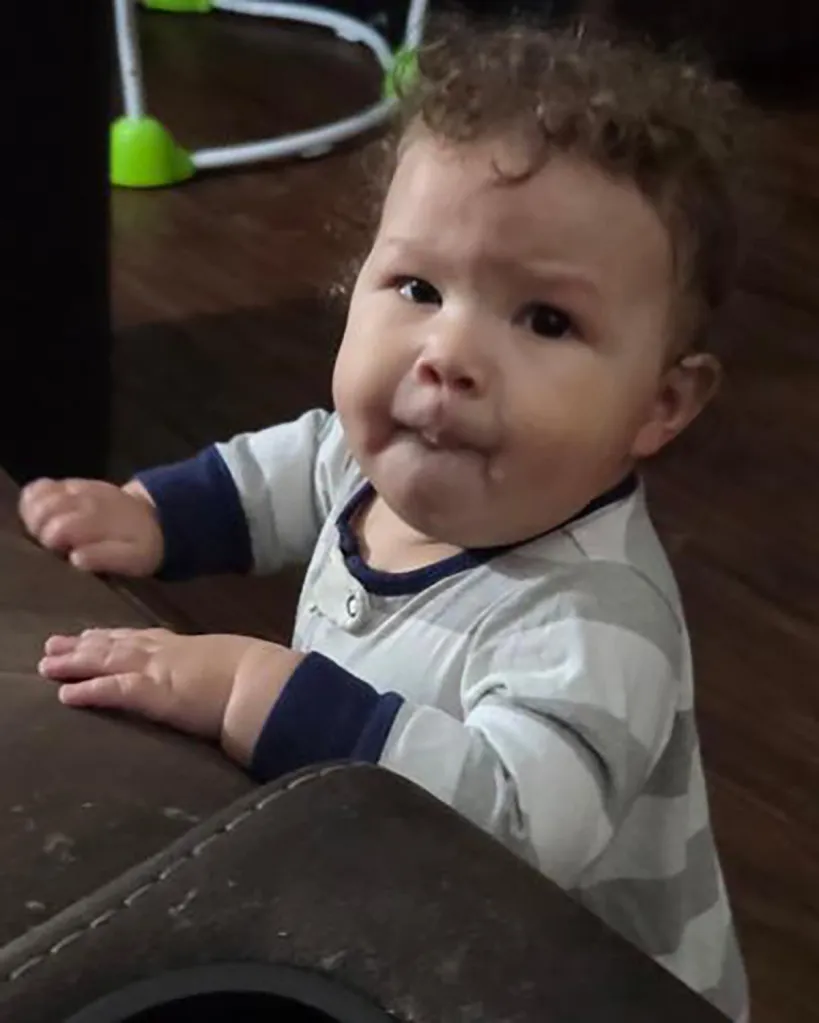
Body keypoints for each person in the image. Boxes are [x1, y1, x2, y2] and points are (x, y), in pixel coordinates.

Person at [20, 17, 752, 1020]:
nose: (446, 353)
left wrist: (254, 689)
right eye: (417, 286)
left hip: (575, 982)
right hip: (403, 901)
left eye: (545, 319)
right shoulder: (378, 455)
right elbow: (289, 470)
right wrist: (151, 515)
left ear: (660, 404)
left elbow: (511, 826)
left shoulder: (593, 622)